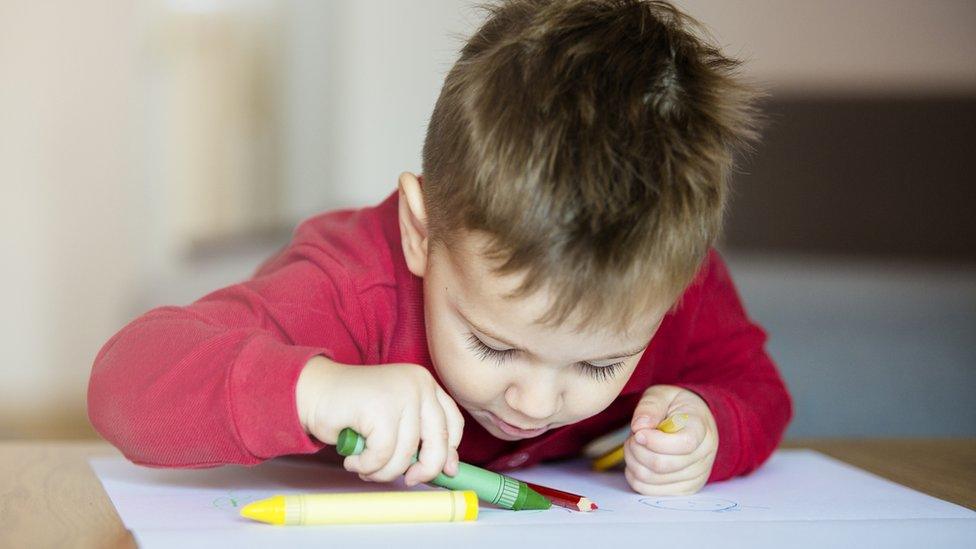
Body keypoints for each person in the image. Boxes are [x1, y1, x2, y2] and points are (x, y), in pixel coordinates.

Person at [88, 0, 792, 496]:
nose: (537, 400)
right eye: (493, 344)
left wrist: (710, 428)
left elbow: (759, 389)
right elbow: (124, 381)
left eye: (600, 362)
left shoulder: (665, 276)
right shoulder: (349, 285)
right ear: (421, 231)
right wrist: (316, 388)